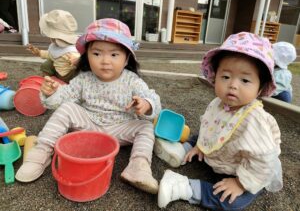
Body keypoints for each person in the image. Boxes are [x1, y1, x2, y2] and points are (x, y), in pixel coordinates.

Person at [16, 18, 162, 194]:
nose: (105, 61)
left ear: (126, 59)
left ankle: (138, 166)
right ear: (87, 57)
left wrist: (146, 104)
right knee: (67, 108)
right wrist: (50, 93)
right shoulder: (84, 79)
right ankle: (42, 151)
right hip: (88, 126)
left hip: (120, 129)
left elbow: (152, 98)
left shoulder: (132, 81)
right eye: (97, 53)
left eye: (114, 54)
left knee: (146, 126)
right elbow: (61, 99)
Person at [156, 32, 283, 210]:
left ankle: (183, 186)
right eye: (225, 77)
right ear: (215, 77)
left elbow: (263, 161)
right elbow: (210, 127)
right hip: (221, 152)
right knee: (204, 132)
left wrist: (240, 184)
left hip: (245, 167)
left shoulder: (255, 121)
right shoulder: (218, 103)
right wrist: (200, 146)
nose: (233, 85)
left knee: (233, 201)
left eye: (245, 80)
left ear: (260, 88)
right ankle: (181, 150)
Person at [27, 10, 80, 83]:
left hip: (66, 76)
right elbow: (51, 54)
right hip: (58, 70)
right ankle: (46, 80)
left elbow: (81, 61)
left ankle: (71, 85)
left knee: (78, 73)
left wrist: (76, 61)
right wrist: (39, 52)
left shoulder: (70, 51)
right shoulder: (56, 46)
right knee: (47, 64)